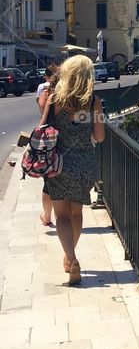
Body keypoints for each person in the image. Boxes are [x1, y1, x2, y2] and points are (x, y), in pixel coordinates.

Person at [42, 55, 105, 285]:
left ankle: (71, 258)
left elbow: (42, 130)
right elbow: (99, 137)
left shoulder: (55, 99)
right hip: (83, 165)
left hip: (57, 164)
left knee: (62, 216)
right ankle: (71, 257)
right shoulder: (93, 103)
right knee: (76, 213)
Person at [36, 63, 59, 227]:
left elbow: (42, 112)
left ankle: (47, 216)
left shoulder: (45, 93)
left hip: (50, 141)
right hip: (65, 143)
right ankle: (58, 215)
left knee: (48, 181)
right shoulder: (71, 94)